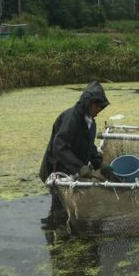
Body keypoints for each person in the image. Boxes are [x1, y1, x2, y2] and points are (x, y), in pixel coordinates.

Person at [39, 81, 110, 214]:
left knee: (72, 206)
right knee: (59, 208)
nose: (99, 111)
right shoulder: (72, 118)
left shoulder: (90, 122)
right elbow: (59, 147)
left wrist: (100, 164)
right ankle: (55, 228)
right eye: (98, 107)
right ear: (90, 103)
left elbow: (89, 146)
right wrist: (80, 167)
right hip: (57, 170)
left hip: (71, 170)